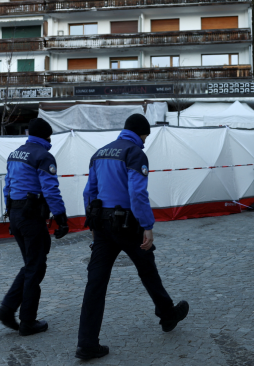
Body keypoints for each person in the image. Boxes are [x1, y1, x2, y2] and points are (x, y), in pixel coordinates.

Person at [75, 114, 189, 360]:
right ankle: (167, 315)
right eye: (146, 136)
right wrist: (147, 225)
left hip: (103, 226)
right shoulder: (135, 153)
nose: (146, 140)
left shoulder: (100, 153)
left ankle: (86, 342)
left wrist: (94, 225)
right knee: (147, 270)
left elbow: (89, 193)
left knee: (95, 283)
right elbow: (137, 193)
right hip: (128, 225)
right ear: (141, 133)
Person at [0, 118, 69, 336]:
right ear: (47, 136)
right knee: (35, 266)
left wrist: (10, 213)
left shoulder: (15, 154)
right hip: (32, 216)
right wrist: (62, 218)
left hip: (16, 214)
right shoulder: (43, 156)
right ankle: (27, 321)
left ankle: (7, 309)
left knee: (32, 264)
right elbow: (50, 190)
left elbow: (7, 186)